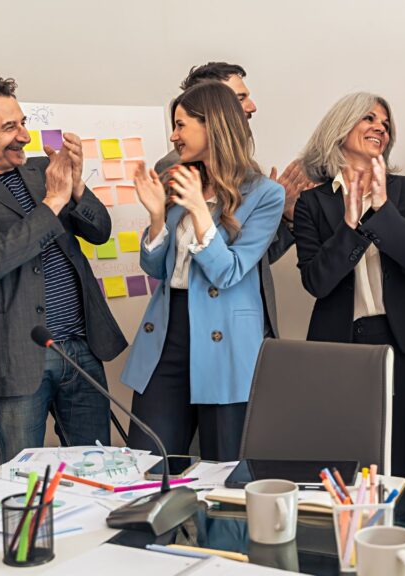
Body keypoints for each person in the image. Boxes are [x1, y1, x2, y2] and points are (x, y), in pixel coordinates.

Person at [0, 72, 127, 467]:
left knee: (99, 471)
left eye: (22, 122)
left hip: (81, 349)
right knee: (21, 483)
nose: (24, 135)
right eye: (9, 127)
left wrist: (74, 189)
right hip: (17, 359)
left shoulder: (43, 170)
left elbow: (100, 231)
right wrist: (54, 202)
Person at [121, 81, 285, 461]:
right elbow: (155, 268)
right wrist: (158, 216)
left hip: (226, 338)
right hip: (167, 333)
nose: (174, 135)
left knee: (222, 470)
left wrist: (198, 209)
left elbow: (228, 273)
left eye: (181, 125)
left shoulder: (265, 194)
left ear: (212, 124)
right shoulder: (178, 180)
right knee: (148, 464)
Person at [295, 92, 405, 479]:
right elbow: (317, 282)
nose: (380, 128)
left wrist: (381, 210)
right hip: (339, 342)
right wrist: (351, 226)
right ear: (341, 128)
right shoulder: (313, 203)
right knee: (341, 457)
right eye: (369, 119)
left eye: (385, 124)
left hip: (402, 342)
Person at [155, 62, 315, 338]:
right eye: (239, 98)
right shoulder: (176, 171)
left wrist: (284, 217)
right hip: (200, 327)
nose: (251, 106)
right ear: (211, 108)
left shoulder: (250, 176)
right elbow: (184, 263)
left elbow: (249, 260)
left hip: (243, 325)